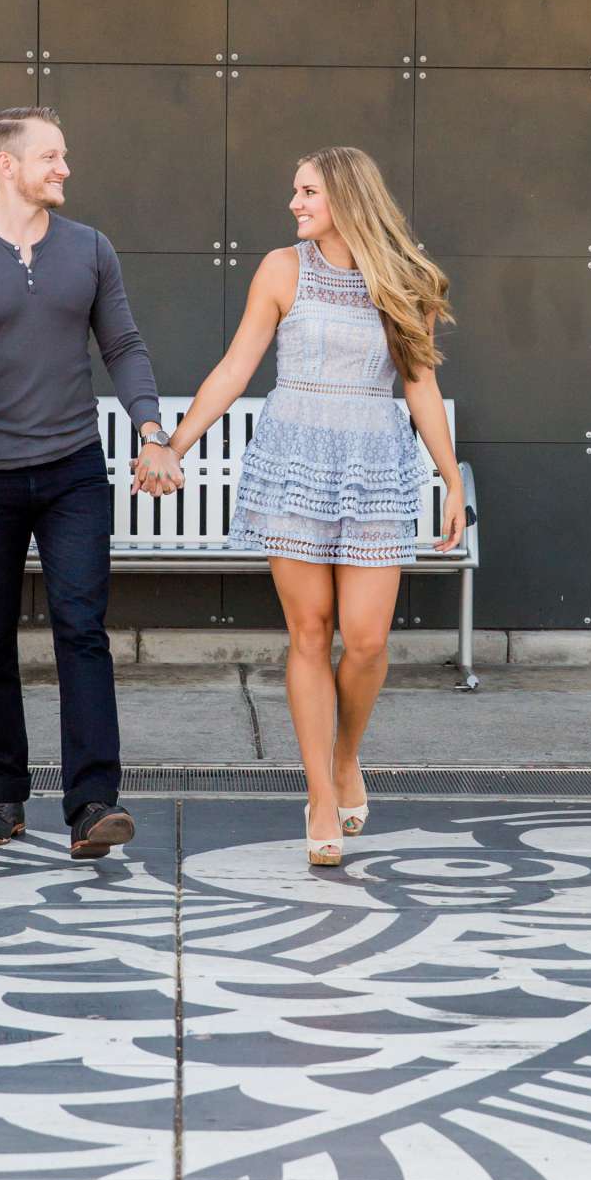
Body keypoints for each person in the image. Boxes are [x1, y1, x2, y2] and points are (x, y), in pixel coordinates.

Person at [163, 146, 464, 866]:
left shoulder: (403, 277)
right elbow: (237, 367)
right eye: (294, 191)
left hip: (372, 462)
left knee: (364, 640)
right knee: (310, 630)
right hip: (294, 458)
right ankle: (320, 796)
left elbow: (419, 386)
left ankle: (347, 755)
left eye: (307, 193)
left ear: (347, 200)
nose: (294, 204)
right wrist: (175, 444)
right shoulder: (281, 269)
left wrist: (451, 480)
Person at [0, 106, 184, 857]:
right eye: (51, 156)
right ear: (8, 164)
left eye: (64, 156)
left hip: (73, 472)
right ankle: (2, 800)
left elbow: (123, 345)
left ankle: (94, 804)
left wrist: (151, 430)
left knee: (81, 630)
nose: (64, 168)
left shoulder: (90, 250)